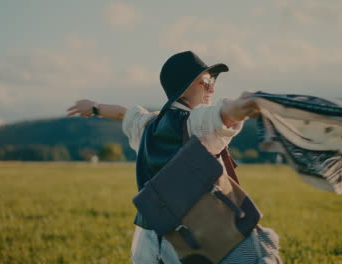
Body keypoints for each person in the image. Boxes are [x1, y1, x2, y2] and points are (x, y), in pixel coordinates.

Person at [67, 51, 282, 264]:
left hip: (148, 239)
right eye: (206, 82)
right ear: (186, 86)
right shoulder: (195, 122)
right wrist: (245, 104)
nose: (212, 88)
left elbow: (124, 113)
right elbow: (223, 114)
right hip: (194, 238)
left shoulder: (148, 124)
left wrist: (94, 108)